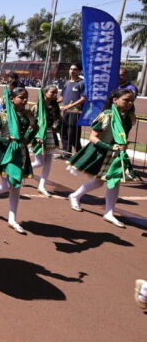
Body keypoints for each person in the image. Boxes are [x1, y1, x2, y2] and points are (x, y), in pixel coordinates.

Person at [66, 89, 136, 228]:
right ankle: (75, 196)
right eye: (126, 100)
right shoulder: (106, 115)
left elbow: (122, 136)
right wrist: (110, 147)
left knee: (114, 181)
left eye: (131, 100)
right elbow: (93, 137)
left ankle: (109, 212)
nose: (129, 103)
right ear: (115, 100)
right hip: (101, 152)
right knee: (98, 183)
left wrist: (122, 146)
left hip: (116, 154)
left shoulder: (129, 117)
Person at [0, 87, 37, 234]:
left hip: (20, 153)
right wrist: (6, 140)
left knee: (16, 187)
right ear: (12, 99)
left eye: (26, 97)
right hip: (3, 153)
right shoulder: (3, 115)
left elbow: (33, 129)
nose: (24, 100)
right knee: (8, 185)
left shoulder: (28, 114)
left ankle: (12, 219)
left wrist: (30, 137)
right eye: (21, 97)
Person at [31, 85, 62, 196]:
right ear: (45, 93)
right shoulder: (37, 107)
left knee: (48, 162)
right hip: (38, 135)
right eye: (52, 92)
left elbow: (58, 120)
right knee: (39, 162)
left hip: (50, 135)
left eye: (56, 93)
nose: (55, 95)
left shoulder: (55, 107)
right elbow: (32, 121)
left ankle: (42, 185)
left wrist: (55, 127)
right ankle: (21, 170)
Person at [59, 64, 86, 159]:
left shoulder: (82, 83)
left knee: (73, 134)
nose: (72, 71)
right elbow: (62, 97)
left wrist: (69, 106)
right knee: (63, 133)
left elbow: (83, 99)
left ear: (79, 71)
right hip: (65, 112)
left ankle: (79, 154)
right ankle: (66, 152)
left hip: (76, 113)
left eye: (75, 69)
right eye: (71, 69)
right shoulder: (66, 83)